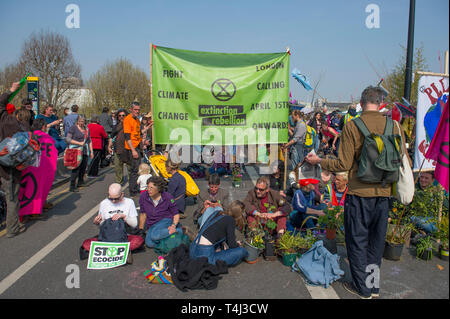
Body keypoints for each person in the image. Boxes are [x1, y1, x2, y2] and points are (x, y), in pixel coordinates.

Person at [305, 85, 410, 299]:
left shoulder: (354, 126)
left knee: (357, 242)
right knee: (376, 243)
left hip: (359, 195)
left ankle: (362, 289)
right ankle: (373, 286)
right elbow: (402, 159)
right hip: (384, 195)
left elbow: (343, 162)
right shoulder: (394, 126)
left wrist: (320, 161)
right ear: (381, 103)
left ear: (361, 104)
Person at [83, 183, 143, 264]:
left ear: (122, 194)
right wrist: (97, 222)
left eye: (116, 199)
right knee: (86, 243)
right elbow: (102, 225)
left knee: (138, 240)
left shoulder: (129, 202)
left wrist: (124, 216)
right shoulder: (104, 203)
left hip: (124, 235)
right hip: (108, 235)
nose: (113, 201)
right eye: (111, 199)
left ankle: (115, 250)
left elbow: (134, 224)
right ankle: (123, 251)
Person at [0, 81, 29, 238]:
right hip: (12, 168)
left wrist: (11, 90)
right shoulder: (22, 128)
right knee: (12, 197)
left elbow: (0, 104)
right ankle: (12, 229)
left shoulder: (4, 121)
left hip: (3, 164)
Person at [189, 200, 249, 267]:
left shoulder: (218, 213)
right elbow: (232, 245)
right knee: (241, 251)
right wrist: (237, 244)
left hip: (193, 249)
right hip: (204, 256)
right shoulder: (230, 220)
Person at [138, 176, 184, 248]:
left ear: (158, 189)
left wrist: (173, 225)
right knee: (149, 243)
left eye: (151, 188)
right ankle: (169, 237)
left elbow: (175, 214)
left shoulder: (168, 197)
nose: (148, 190)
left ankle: (178, 230)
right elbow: (143, 214)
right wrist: (140, 230)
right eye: (147, 187)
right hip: (152, 224)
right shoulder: (143, 196)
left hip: (165, 220)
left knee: (155, 236)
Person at [123, 102, 152, 197]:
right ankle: (133, 190)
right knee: (134, 170)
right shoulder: (128, 119)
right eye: (135, 109)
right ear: (131, 109)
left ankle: (135, 188)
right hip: (132, 148)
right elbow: (127, 137)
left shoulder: (137, 120)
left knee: (136, 168)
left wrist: (147, 127)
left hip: (137, 146)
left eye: (138, 110)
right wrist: (133, 150)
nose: (137, 111)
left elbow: (138, 133)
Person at [65, 115, 94, 192]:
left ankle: (80, 182)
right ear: (77, 121)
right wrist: (79, 143)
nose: (82, 123)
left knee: (83, 167)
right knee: (75, 168)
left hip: (84, 151)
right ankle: (72, 185)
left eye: (83, 121)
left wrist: (91, 151)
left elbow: (89, 140)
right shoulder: (73, 128)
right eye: (80, 121)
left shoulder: (86, 129)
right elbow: (68, 139)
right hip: (75, 150)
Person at [108, 108, 128, 185]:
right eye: (119, 116)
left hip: (128, 149)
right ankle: (118, 183)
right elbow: (111, 137)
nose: (121, 117)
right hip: (117, 149)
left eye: (123, 115)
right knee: (118, 168)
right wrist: (109, 146)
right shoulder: (115, 126)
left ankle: (132, 185)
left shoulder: (130, 124)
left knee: (130, 169)